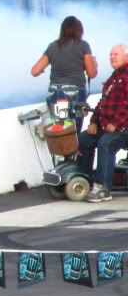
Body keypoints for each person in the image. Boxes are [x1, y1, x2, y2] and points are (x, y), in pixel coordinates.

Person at [76, 44, 128, 203]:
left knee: (106, 143)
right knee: (84, 139)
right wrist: (93, 122)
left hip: (123, 127)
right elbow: (102, 103)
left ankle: (103, 188)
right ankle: (85, 181)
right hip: (107, 126)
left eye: (116, 54)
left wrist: (116, 124)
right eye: (111, 54)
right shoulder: (114, 77)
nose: (112, 57)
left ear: (126, 57)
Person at [31, 16, 98, 131]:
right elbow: (91, 73)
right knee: (73, 130)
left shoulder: (53, 46)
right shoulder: (83, 45)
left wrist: (44, 69)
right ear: (79, 30)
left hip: (55, 93)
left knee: (60, 129)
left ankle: (62, 147)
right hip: (75, 93)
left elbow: (35, 71)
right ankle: (73, 148)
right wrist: (94, 64)